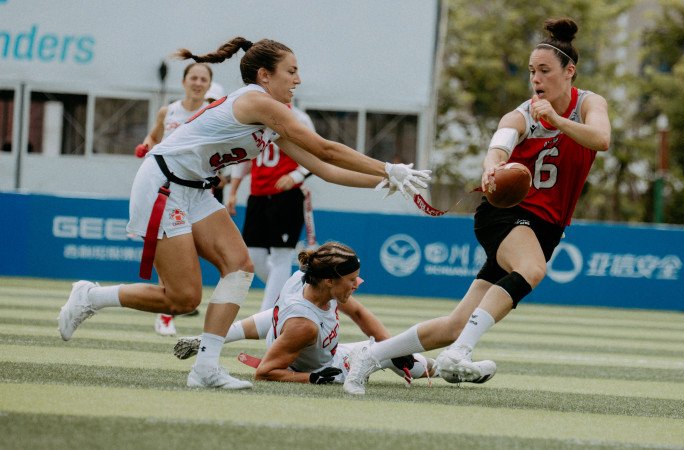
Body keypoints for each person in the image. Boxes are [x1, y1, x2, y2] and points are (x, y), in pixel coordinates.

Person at [57, 36, 431, 390]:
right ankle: (91, 296)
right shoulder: (258, 102)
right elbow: (326, 149)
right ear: (264, 75)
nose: (298, 79)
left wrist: (389, 183)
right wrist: (387, 167)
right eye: (291, 71)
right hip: (164, 185)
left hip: (198, 189)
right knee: (182, 298)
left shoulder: (272, 116)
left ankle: (205, 367)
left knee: (240, 268)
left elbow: (324, 168)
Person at [343, 17, 610, 395]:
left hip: (545, 227)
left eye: (545, 71)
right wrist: (491, 166)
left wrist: (558, 122)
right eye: (532, 71)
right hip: (505, 215)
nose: (536, 79)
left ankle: (370, 356)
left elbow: (601, 139)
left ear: (570, 72)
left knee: (454, 324)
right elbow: (500, 144)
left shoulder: (589, 104)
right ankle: (460, 354)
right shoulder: (522, 114)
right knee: (532, 269)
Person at [172, 241, 441, 385]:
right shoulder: (305, 325)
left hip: (296, 331)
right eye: (352, 279)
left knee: (275, 318)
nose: (358, 284)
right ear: (329, 281)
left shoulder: (308, 279)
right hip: (328, 365)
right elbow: (264, 372)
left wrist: (390, 344)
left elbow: (359, 315)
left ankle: (207, 340)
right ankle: (445, 370)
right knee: (411, 364)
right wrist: (311, 378)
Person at [134, 62, 214, 336]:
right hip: (169, 189)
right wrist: (147, 146)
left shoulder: (212, 111)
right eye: (193, 77)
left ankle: (188, 302)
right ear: (184, 82)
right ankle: (166, 313)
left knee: (196, 252)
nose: (198, 83)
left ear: (208, 85)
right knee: (172, 248)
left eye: (203, 79)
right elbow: (153, 136)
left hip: (201, 191)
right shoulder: (168, 111)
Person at [226, 105, 315, 312]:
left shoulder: (299, 118)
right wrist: (233, 191)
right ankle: (291, 296)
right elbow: (245, 156)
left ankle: (268, 315)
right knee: (254, 256)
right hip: (258, 195)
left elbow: (316, 152)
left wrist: (296, 176)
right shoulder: (254, 113)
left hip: (286, 196)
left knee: (280, 256)